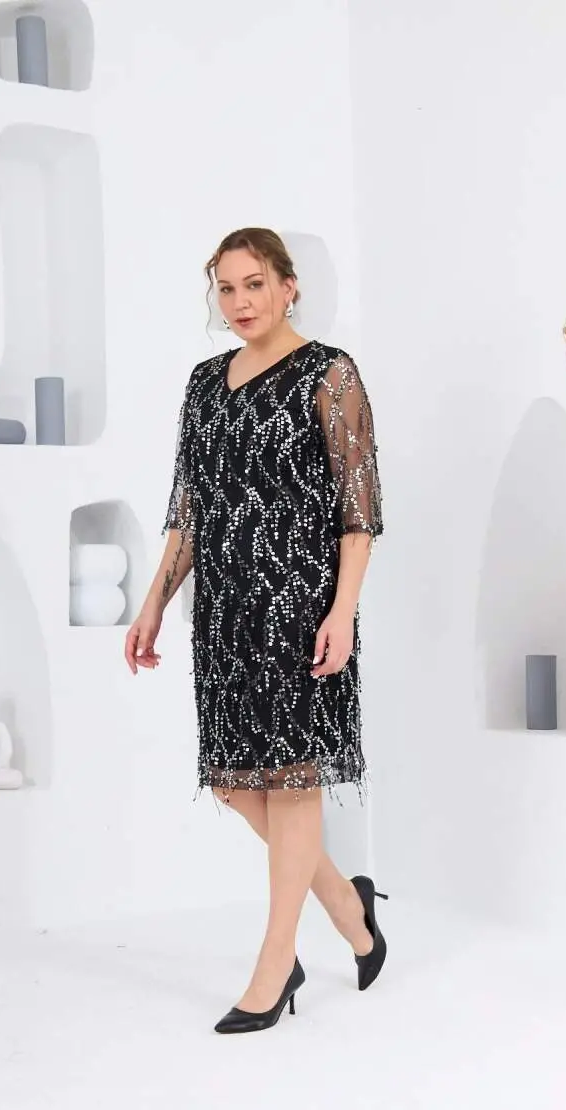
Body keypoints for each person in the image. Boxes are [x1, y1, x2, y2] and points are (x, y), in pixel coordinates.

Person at [125, 228, 387, 1034]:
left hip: (301, 609)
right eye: (227, 288)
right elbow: (190, 509)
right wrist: (154, 601)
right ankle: (350, 910)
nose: (239, 302)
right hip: (224, 614)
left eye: (254, 284)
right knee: (237, 782)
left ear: (288, 286)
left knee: (293, 781)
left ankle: (277, 965)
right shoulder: (205, 383)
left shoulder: (330, 374)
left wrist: (341, 612)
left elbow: (358, 512)